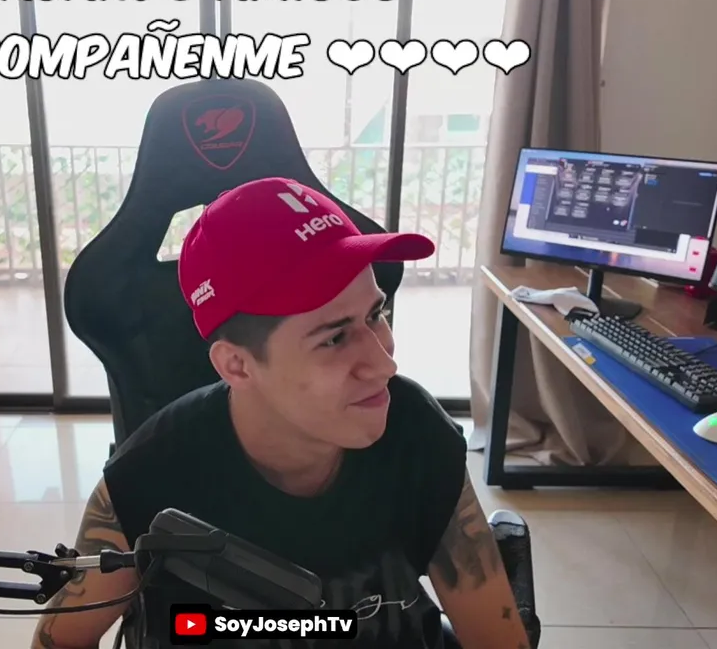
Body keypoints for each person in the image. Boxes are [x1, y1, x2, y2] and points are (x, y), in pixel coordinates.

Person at [31, 177, 532, 649]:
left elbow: (496, 640)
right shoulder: (150, 474)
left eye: (375, 314)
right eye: (334, 338)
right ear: (237, 365)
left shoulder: (417, 436)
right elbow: (61, 640)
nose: (384, 364)